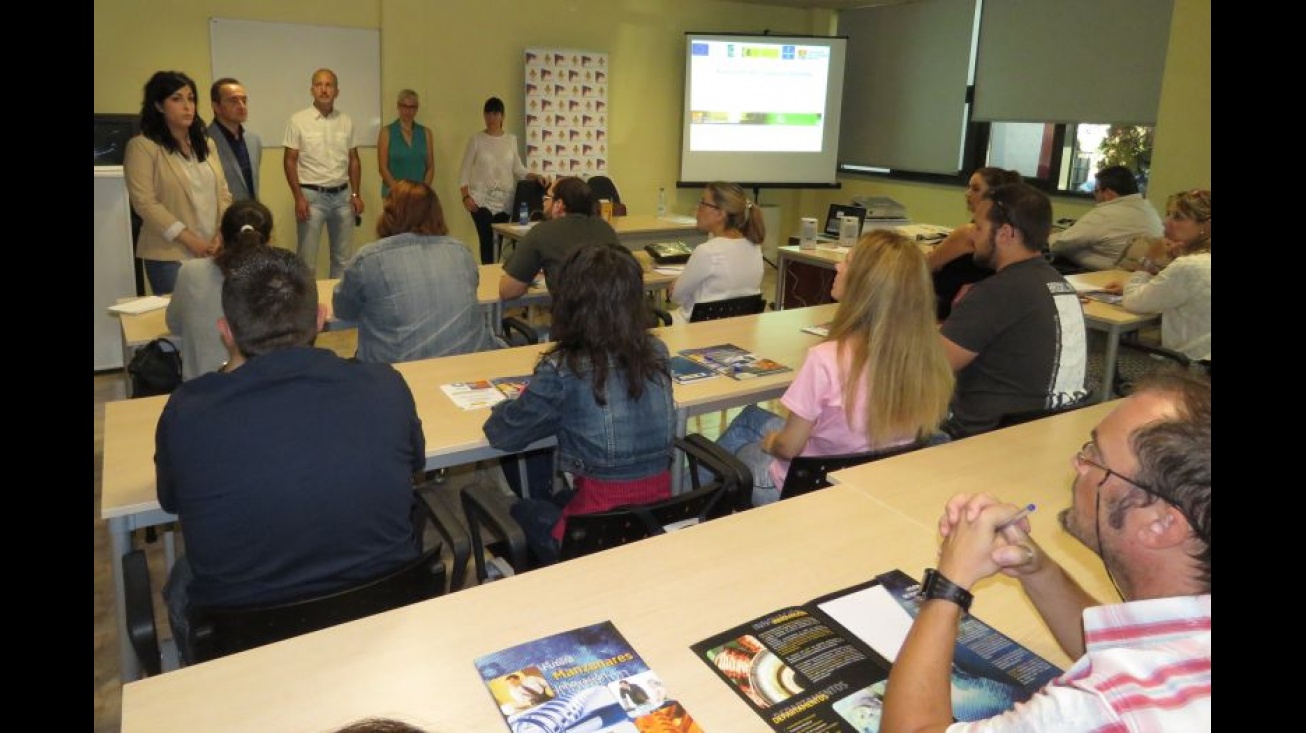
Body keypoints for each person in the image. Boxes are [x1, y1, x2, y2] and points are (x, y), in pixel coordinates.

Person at [882, 371, 1211, 731]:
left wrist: (949, 584)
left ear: (1161, 524)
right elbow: (1122, 651)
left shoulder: (1098, 709)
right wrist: (1035, 568)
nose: (1077, 463)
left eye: (1094, 459)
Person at [155, 246, 425, 665]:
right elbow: (415, 466)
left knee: (179, 580)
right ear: (320, 318)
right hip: (380, 616)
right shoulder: (386, 386)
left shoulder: (187, 410)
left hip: (243, 639)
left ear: (226, 331)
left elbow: (171, 501)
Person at [709, 230, 955, 505]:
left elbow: (789, 447)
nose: (837, 266)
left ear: (865, 286)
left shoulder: (825, 360)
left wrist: (771, 443)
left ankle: (701, 509)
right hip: (874, 482)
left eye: (847, 262)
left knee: (739, 454)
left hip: (802, 488)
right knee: (750, 417)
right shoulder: (926, 356)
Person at [483, 243, 676, 565]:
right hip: (652, 523)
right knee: (562, 496)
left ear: (571, 300)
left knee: (521, 510)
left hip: (591, 539)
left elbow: (502, 435)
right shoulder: (657, 353)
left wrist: (507, 406)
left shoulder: (563, 367)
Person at [940, 182, 1089, 438]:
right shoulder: (1057, 283)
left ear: (1005, 233)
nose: (972, 236)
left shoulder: (996, 293)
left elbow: (930, 368)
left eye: (978, 227)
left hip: (982, 438)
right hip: (1047, 431)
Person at [334, 180, 497, 363]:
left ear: (389, 215)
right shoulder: (462, 252)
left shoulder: (368, 259)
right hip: (467, 371)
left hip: (396, 375)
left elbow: (343, 310)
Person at [124, 70, 233, 295]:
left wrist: (220, 233)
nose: (187, 106)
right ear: (159, 106)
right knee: (182, 326)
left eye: (191, 98)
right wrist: (191, 240)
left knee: (215, 320)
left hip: (214, 249)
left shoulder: (207, 144)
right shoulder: (143, 146)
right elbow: (145, 203)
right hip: (169, 255)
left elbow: (223, 193)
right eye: (176, 99)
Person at [166, 198, 274, 380]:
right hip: (261, 388)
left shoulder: (190, 272)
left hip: (201, 389)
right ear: (269, 240)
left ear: (220, 236)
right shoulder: (278, 276)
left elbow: (174, 325)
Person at [1104, 188, 1211, 362]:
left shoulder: (1189, 266)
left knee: (1101, 360)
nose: (1165, 222)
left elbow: (1133, 303)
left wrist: (1148, 259)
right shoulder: (1193, 263)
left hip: (1188, 371)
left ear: (1206, 225)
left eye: (1178, 217)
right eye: (1169, 215)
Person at [284, 68, 364, 278]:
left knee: (343, 261)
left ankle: (337, 305)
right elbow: (289, 161)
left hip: (343, 198)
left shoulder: (347, 121)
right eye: (319, 84)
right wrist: (298, 197)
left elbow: (354, 160)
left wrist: (356, 195)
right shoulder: (298, 120)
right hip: (311, 199)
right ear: (312, 90)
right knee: (306, 262)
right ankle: (307, 308)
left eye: (329, 85)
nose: (324, 89)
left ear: (337, 91)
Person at [458, 96, 550, 264]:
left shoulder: (511, 140)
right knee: (487, 244)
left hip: (504, 202)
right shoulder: (476, 139)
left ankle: (494, 279)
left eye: (495, 114)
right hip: (480, 201)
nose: (491, 118)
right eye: (488, 114)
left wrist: (535, 176)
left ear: (502, 116)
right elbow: (464, 171)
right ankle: (487, 282)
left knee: (498, 245)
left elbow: (519, 169)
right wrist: (465, 196)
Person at [498, 176, 619, 300]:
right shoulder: (605, 229)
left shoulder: (541, 232)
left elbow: (508, 291)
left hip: (571, 315)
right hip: (610, 313)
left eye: (547, 198)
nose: (543, 201)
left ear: (559, 205)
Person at [926, 167, 1022, 321]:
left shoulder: (969, 234)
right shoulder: (1013, 234)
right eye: (969, 187)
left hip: (941, 306)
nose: (967, 193)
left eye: (975, 189)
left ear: (993, 196)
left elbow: (926, 265)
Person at [669, 181, 765, 323]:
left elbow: (677, 297)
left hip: (692, 331)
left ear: (720, 213)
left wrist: (676, 285)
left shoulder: (706, 252)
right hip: (736, 330)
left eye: (702, 203)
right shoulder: (755, 247)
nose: (697, 208)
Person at [1048, 165, 1164, 272]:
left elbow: (1060, 244)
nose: (1095, 195)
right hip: (1140, 274)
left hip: (1105, 275)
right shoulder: (1148, 208)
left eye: (1096, 191)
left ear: (1108, 193)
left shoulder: (1104, 214)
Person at [207, 77, 261, 202]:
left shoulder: (254, 141)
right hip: (221, 217)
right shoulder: (203, 140)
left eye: (244, 100)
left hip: (251, 213)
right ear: (216, 106)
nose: (241, 106)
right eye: (233, 101)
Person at [378, 89, 434, 200]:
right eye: (404, 106)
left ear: (417, 109)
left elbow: (430, 167)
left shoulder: (426, 133)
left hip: (419, 197)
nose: (408, 111)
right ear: (398, 106)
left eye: (412, 107)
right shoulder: (386, 132)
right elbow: (383, 168)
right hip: (393, 195)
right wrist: (399, 191)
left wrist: (422, 190)